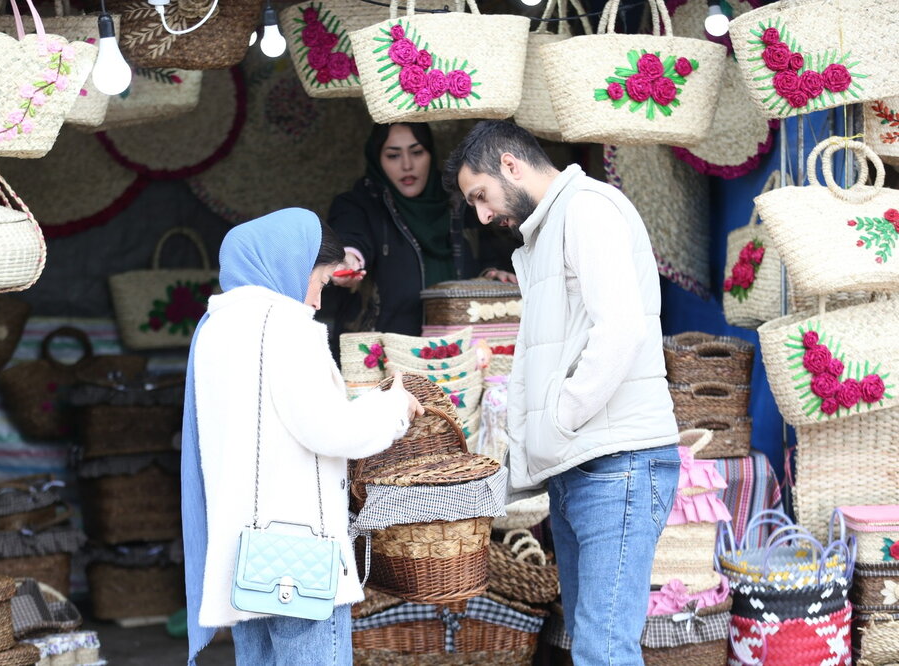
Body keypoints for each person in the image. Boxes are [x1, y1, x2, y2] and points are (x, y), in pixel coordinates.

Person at [443, 121, 681, 666]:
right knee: (591, 644)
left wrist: (559, 418)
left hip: (615, 462)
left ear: (510, 164)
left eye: (480, 196)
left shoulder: (587, 210)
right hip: (585, 463)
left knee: (603, 650)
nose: (482, 215)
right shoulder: (550, 228)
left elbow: (620, 331)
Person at [180, 208, 424, 666]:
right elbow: (332, 429)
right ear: (290, 263)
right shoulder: (284, 325)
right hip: (298, 556)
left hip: (243, 559)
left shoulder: (214, 329)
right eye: (322, 280)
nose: (316, 299)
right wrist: (394, 407)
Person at [327, 122, 516, 346]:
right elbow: (351, 237)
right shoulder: (361, 204)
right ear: (377, 159)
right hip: (384, 354)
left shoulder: (462, 202)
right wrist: (348, 259)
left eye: (417, 152)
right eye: (393, 156)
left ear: (431, 153)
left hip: (464, 354)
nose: (407, 165)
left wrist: (493, 275)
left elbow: (489, 251)